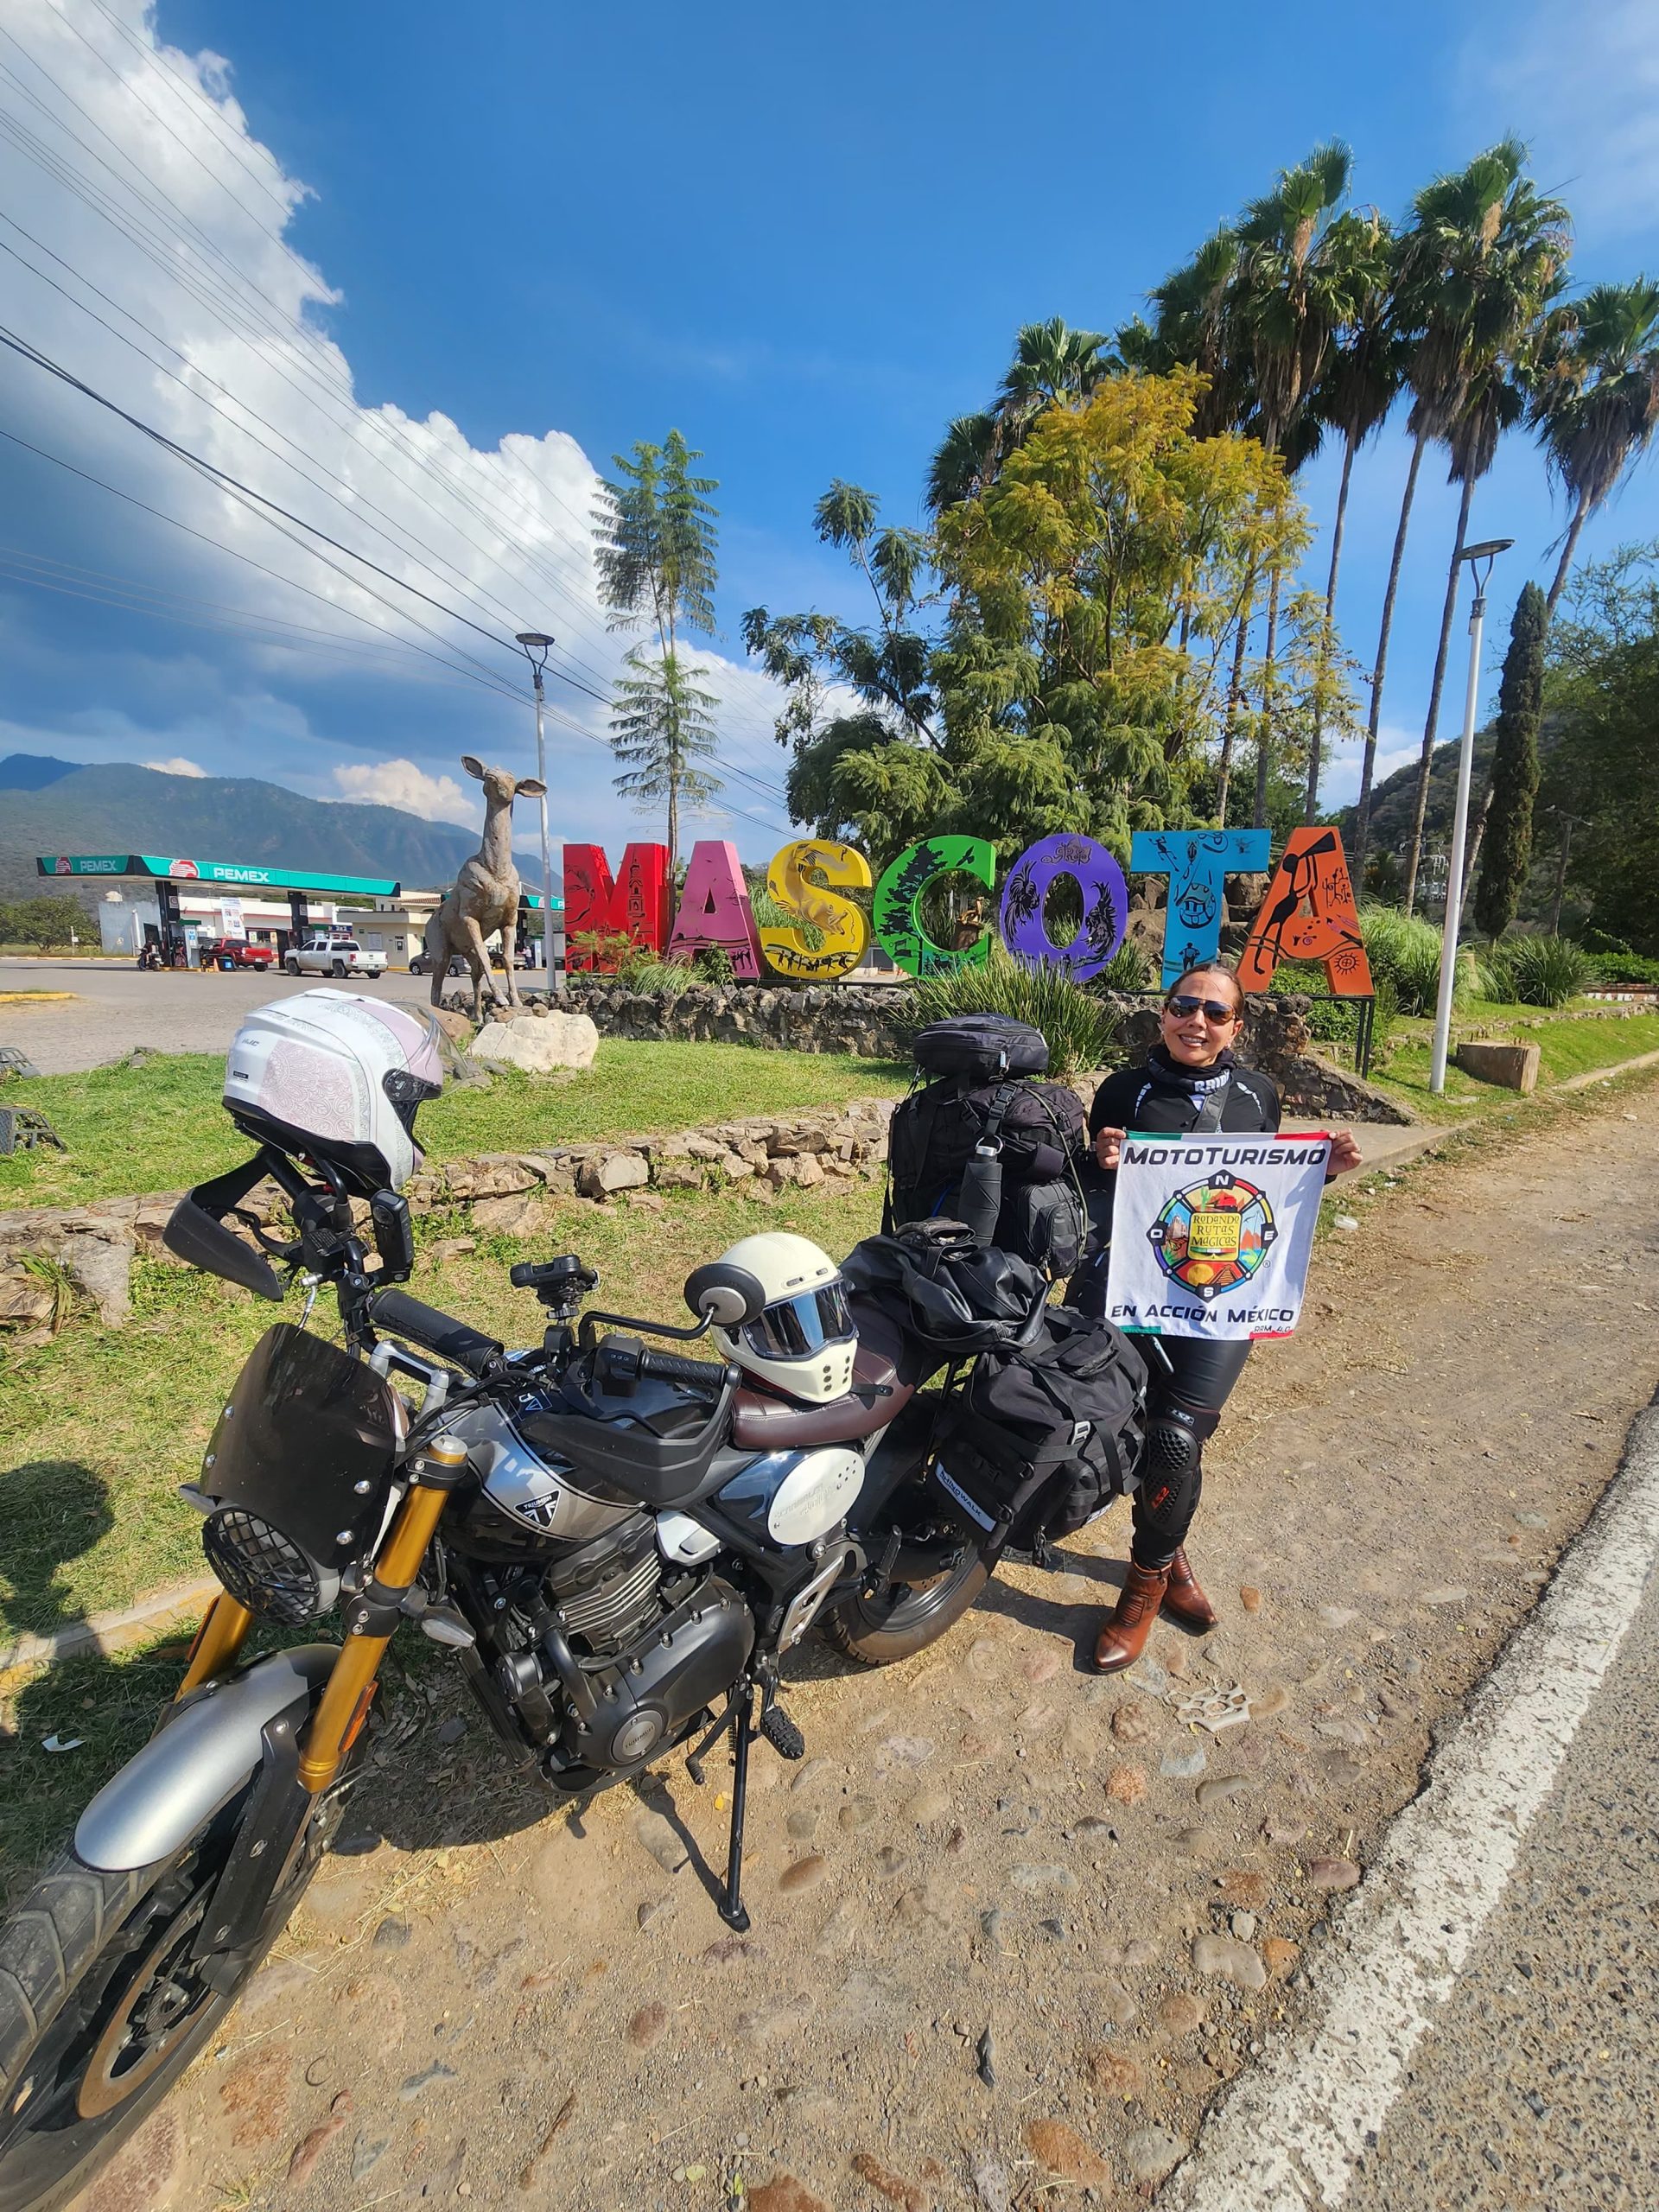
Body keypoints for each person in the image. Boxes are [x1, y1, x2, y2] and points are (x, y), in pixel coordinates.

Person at [1070, 962, 1361, 1673]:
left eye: (1215, 1012)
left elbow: (1258, 1190)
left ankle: (1141, 1588)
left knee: (1175, 1438)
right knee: (1131, 1431)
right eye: (1182, 1006)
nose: (1195, 1021)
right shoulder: (1121, 1088)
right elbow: (1090, 1197)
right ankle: (1171, 1556)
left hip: (1221, 1300)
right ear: (1164, 1014)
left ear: (1237, 1026)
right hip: (1131, 1290)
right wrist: (1099, 1159)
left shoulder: (1259, 1095)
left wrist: (1316, 1176)